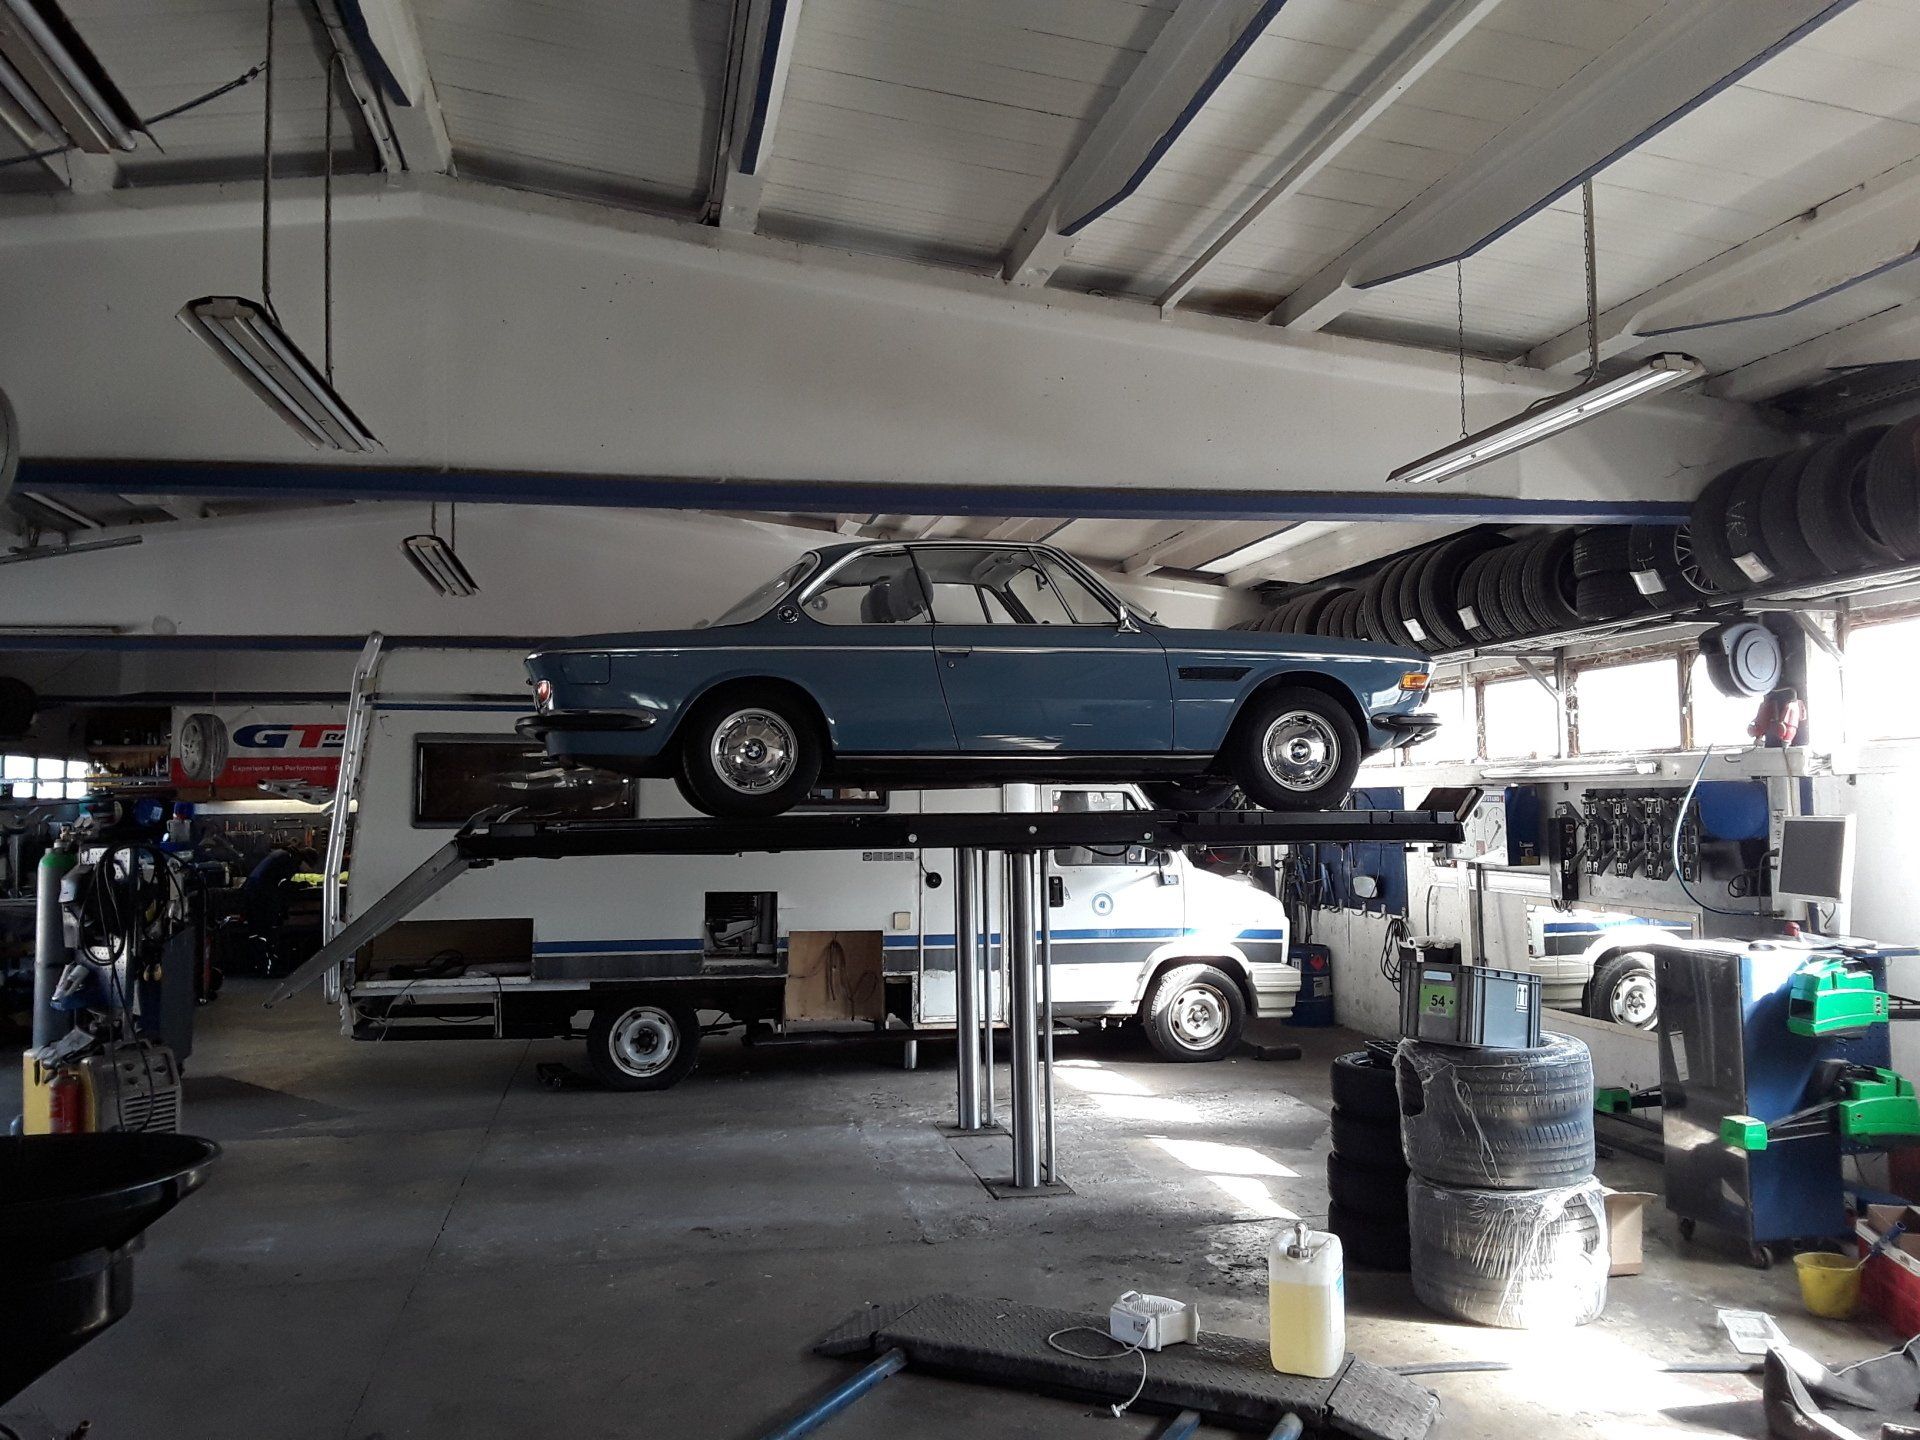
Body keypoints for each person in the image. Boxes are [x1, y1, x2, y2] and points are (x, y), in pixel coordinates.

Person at [241, 846, 319, 970]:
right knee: (264, 931)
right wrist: (302, 884)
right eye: (309, 868)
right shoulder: (288, 860)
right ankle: (266, 964)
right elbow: (283, 884)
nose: (306, 872)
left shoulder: (283, 854)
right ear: (305, 861)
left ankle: (260, 963)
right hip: (261, 897)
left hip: (253, 892)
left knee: (257, 932)